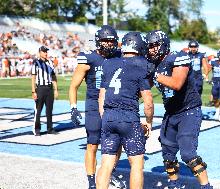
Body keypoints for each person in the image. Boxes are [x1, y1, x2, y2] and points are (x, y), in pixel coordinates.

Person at [146, 30, 212, 189]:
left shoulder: (178, 57)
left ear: (164, 44)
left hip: (188, 111)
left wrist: (153, 74)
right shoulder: (154, 64)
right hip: (171, 113)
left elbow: (177, 83)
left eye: (155, 45)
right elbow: (145, 88)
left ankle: (206, 186)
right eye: (150, 46)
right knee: (167, 155)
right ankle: (174, 184)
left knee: (188, 154)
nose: (152, 49)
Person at [69, 25, 125, 189]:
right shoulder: (88, 59)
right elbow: (74, 86)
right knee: (93, 143)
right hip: (94, 105)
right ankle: (92, 180)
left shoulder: (119, 56)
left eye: (111, 41)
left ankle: (109, 171)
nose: (109, 44)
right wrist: (73, 107)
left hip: (114, 104)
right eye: (106, 41)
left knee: (118, 141)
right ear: (99, 41)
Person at [96, 32, 154, 189]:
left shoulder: (108, 63)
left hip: (108, 116)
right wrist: (149, 122)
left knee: (106, 164)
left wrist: (105, 117)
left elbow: (101, 95)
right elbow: (148, 102)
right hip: (128, 118)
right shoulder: (142, 64)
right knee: (136, 165)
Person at [31, 46, 59, 136]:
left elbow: (53, 76)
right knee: (38, 110)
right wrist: (33, 91)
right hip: (40, 88)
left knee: (49, 110)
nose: (46, 53)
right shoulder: (36, 63)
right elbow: (33, 77)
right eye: (44, 51)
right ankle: (37, 129)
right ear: (39, 52)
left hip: (49, 88)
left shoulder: (50, 63)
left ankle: (50, 128)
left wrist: (56, 89)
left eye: (46, 51)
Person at [208, 49, 220, 121]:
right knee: (215, 99)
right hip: (215, 82)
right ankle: (217, 110)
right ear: (219, 55)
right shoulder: (213, 61)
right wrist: (206, 76)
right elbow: (208, 68)